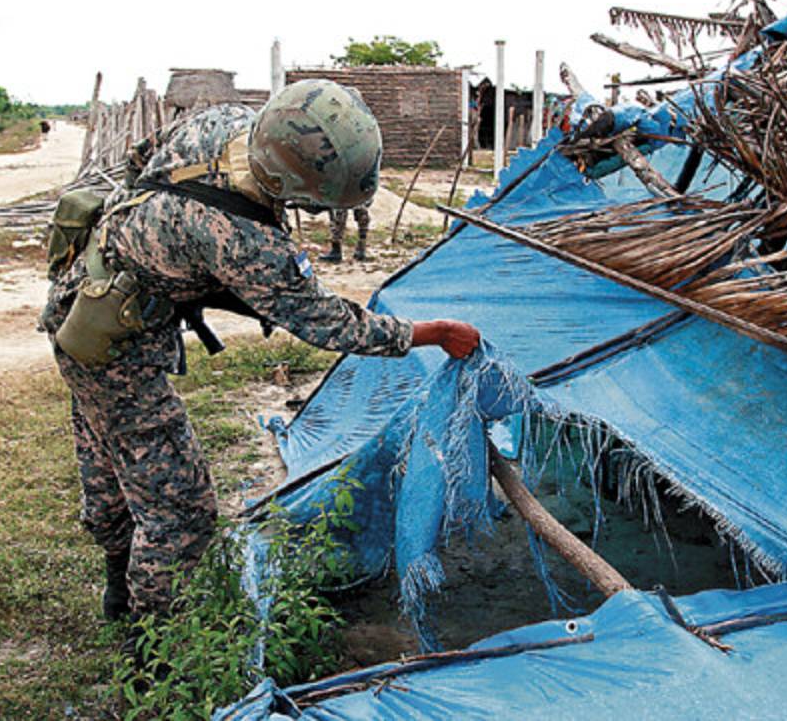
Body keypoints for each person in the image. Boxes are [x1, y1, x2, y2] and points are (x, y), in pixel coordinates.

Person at [40, 80, 480, 643]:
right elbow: (330, 322)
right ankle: (152, 644)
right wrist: (432, 333)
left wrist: (159, 251)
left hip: (79, 294)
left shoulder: (224, 121)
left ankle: (117, 586)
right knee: (179, 510)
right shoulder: (246, 240)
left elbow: (139, 160)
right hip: (115, 350)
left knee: (110, 457)